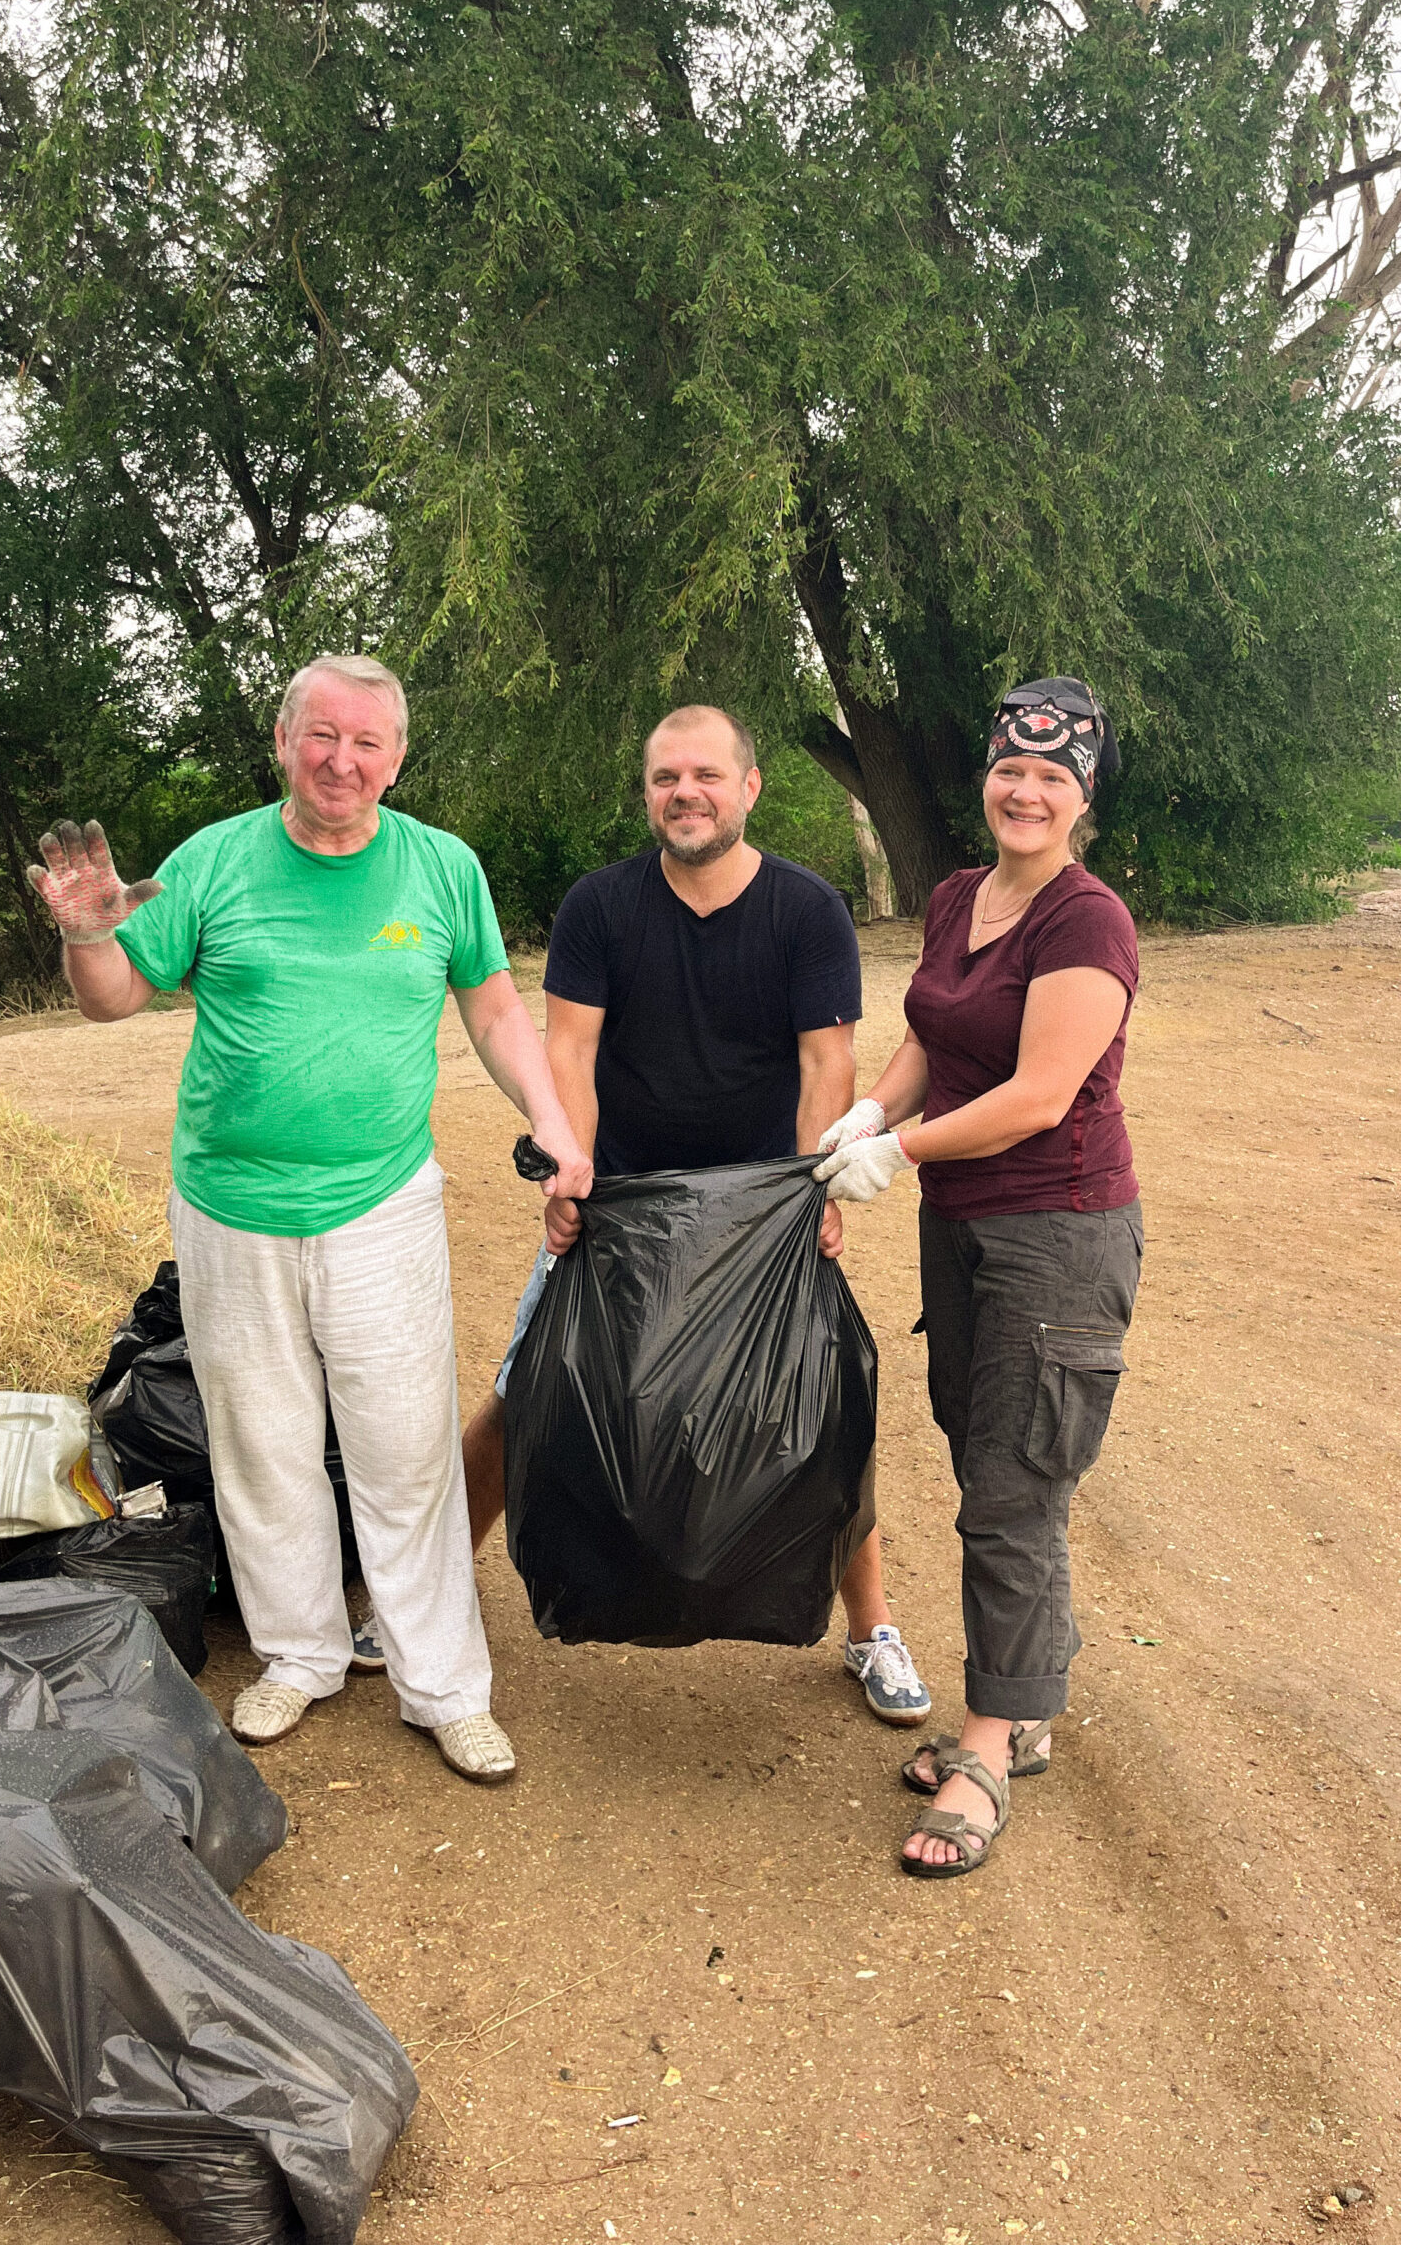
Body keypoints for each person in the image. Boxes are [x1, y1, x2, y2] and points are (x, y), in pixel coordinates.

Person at [25, 653, 592, 1775]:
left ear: (397, 757)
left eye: (367, 741)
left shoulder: (440, 867)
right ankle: (298, 1654)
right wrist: (89, 931)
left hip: (379, 1201)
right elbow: (114, 999)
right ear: (283, 743)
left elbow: (490, 1006)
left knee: (406, 1443)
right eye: (320, 735)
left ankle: (443, 1683)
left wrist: (557, 1121)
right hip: (229, 1206)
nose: (342, 759)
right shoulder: (215, 860)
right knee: (263, 1437)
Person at [456, 703, 932, 1728]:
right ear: (649, 794)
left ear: (749, 787)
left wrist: (816, 1193)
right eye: (667, 777)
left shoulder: (807, 910)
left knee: (821, 1408)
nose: (687, 793)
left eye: (707, 775)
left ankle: (871, 1629)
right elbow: (570, 1054)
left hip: (763, 1215)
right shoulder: (599, 907)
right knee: (527, 1389)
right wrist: (568, 1177)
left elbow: (826, 1064)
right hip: (621, 1200)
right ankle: (426, 1597)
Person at [814, 677, 1141, 1876]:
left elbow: (1037, 1094)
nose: (1026, 790)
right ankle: (1028, 1699)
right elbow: (935, 1044)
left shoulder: (1085, 920)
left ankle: (991, 1748)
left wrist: (894, 1151)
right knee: (991, 1454)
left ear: (1081, 794)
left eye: (1052, 777)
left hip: (1057, 1232)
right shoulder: (960, 895)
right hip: (963, 1228)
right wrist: (867, 1110)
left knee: (1013, 1483)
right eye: (1012, 767)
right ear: (988, 774)